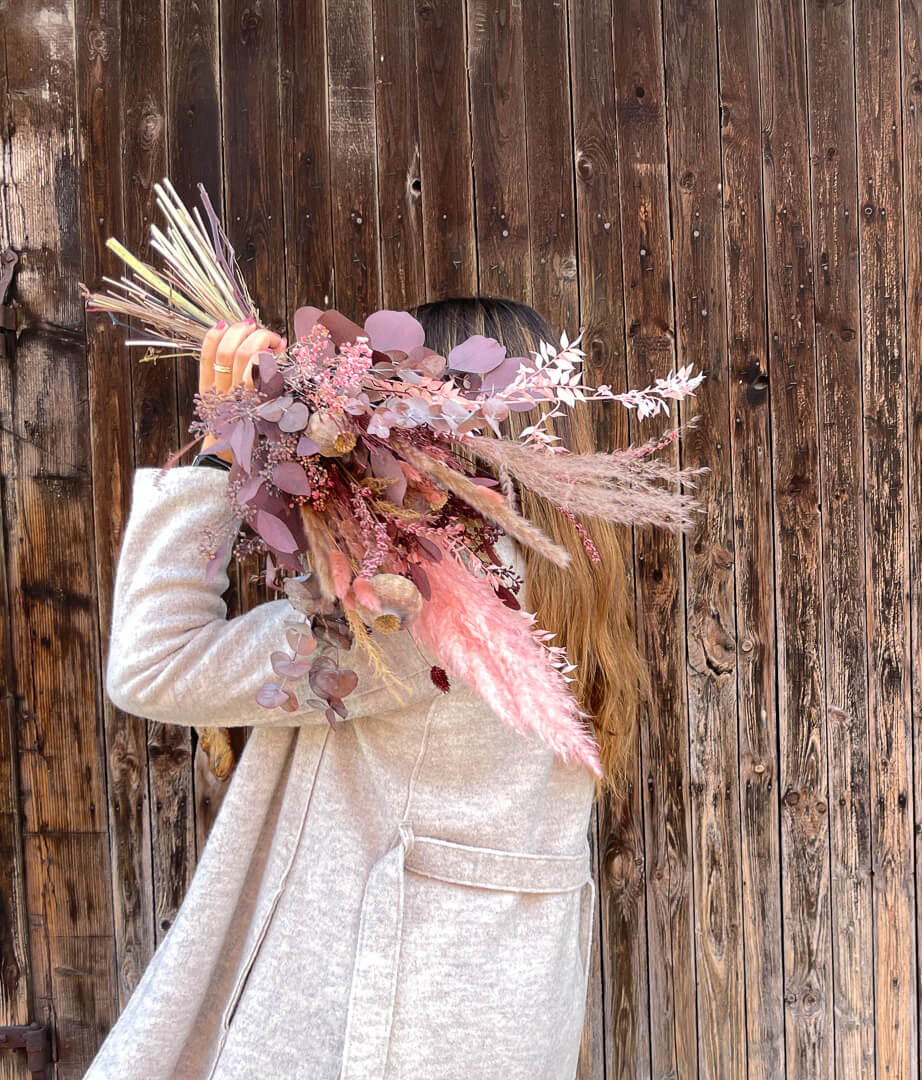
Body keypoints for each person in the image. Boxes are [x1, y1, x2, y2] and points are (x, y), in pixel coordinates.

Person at [83, 296, 650, 1079]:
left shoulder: (425, 606)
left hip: (383, 1026)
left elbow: (155, 660)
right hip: (489, 1016)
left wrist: (220, 448)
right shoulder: (566, 583)